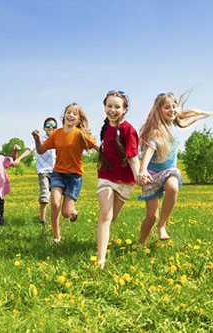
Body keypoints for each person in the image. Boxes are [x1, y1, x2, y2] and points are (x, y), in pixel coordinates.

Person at [138, 92, 212, 245]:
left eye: (174, 106)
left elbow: (186, 119)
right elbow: (148, 151)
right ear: (159, 110)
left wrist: (200, 113)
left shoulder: (175, 124)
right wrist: (143, 170)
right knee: (151, 216)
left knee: (173, 187)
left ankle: (162, 225)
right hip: (151, 174)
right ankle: (140, 244)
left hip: (169, 171)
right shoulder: (156, 131)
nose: (171, 109)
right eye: (167, 107)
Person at [32, 102, 97, 243]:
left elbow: (97, 147)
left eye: (75, 113)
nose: (71, 115)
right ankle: (56, 237)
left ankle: (72, 211)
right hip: (58, 173)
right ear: (64, 115)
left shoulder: (80, 135)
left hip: (74, 177)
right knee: (54, 203)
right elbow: (41, 150)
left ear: (79, 120)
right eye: (69, 112)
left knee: (66, 213)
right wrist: (37, 140)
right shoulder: (57, 134)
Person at [95, 90, 140, 268]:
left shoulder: (129, 130)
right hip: (106, 177)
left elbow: (133, 157)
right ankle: (101, 260)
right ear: (105, 107)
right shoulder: (105, 128)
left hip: (125, 181)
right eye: (109, 106)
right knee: (105, 215)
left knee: (111, 217)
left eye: (117, 107)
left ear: (124, 109)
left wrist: (139, 178)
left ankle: (101, 238)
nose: (112, 110)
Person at [23, 117, 58, 225]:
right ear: (44, 128)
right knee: (44, 194)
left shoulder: (58, 138)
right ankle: (42, 220)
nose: (50, 128)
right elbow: (30, 149)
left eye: (53, 126)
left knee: (56, 196)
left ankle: (55, 219)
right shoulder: (40, 138)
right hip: (43, 171)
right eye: (48, 126)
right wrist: (19, 158)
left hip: (57, 172)